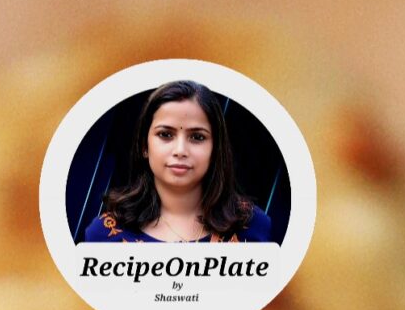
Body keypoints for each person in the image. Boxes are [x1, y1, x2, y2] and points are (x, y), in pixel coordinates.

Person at [82, 81, 275, 244]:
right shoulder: (103, 236)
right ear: (144, 146)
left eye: (197, 137)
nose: (180, 151)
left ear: (216, 148)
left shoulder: (253, 226)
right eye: (165, 135)